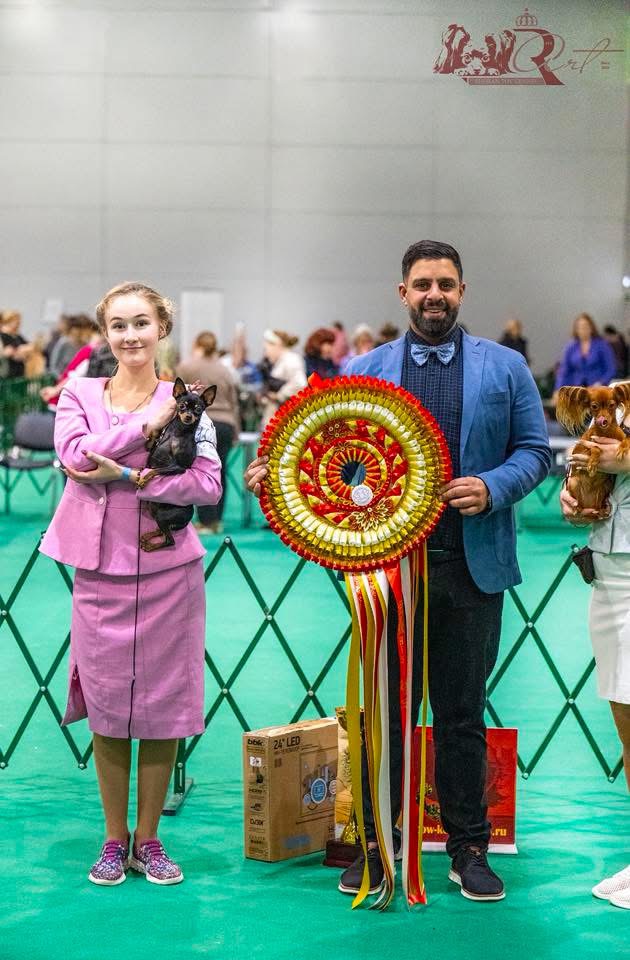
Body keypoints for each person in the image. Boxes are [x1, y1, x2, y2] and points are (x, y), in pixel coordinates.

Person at [245, 240, 551, 902]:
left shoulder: (506, 367)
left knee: (462, 715)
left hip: (472, 570)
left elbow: (534, 450)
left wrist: (494, 486)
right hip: (386, 577)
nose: (434, 294)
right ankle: (379, 846)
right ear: (402, 292)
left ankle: (469, 848)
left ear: (462, 291)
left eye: (446, 283)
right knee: (385, 717)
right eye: (423, 283)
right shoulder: (364, 368)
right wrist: (279, 472)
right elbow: (328, 453)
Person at [39, 281, 222, 887]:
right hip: (99, 570)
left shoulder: (188, 400)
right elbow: (76, 458)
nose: (130, 335)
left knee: (164, 706)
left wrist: (131, 476)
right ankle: (114, 839)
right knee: (108, 706)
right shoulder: (79, 393)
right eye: (118, 325)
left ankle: (149, 839)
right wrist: (150, 424)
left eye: (141, 323)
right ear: (105, 333)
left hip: (171, 570)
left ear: (161, 328)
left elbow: (208, 486)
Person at [560, 437, 630, 909]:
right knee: (627, 728)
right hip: (606, 573)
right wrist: (573, 490)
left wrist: (621, 459)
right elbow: (588, 460)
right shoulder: (614, 405)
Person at [177, 331, 240, 534]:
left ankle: (205, 521)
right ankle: (216, 521)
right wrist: (236, 431)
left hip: (200, 424)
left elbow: (177, 398)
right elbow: (234, 402)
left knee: (200, 470)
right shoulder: (225, 370)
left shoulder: (187, 366)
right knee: (219, 470)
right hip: (225, 425)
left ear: (197, 344)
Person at [553, 313, 617, 399]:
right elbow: (564, 371)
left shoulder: (602, 345)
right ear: (576, 330)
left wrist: (601, 383)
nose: (583, 329)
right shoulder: (570, 348)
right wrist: (558, 389)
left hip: (599, 391)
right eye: (580, 327)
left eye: (585, 326)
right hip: (576, 392)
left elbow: (610, 369)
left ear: (591, 328)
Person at [258, 329, 307, 428]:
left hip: (289, 419)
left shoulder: (291, 360)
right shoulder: (277, 363)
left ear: (277, 345)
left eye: (267, 349)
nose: (266, 354)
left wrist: (279, 395)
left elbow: (300, 384)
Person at [0, 310, 34, 378]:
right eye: (16, 321)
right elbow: (13, 354)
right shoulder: (2, 336)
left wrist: (23, 350)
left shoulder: (16, 336)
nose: (19, 323)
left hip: (19, 372)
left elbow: (31, 347)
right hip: (7, 373)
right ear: (8, 321)